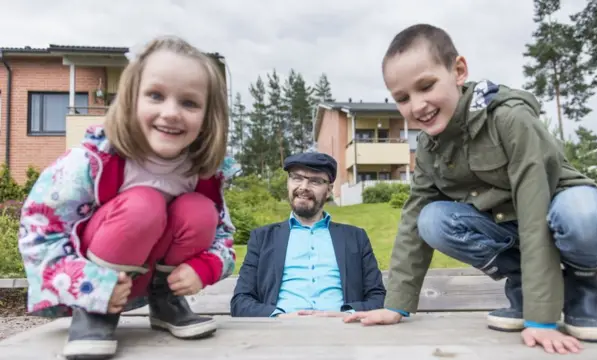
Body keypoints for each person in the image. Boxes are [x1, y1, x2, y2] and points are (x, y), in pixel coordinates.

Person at [343, 23, 597, 355]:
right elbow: (412, 222)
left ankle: (583, 287)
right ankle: (521, 284)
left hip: (554, 210)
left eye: (426, 86)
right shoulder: (430, 150)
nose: (417, 106)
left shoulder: (508, 118)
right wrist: (396, 304)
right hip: (507, 228)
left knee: (582, 213)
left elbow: (534, 209)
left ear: (459, 71)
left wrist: (541, 320)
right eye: (402, 98)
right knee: (431, 220)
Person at [18, 35, 239, 360]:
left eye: (189, 103)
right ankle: (95, 314)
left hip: (153, 277)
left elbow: (224, 236)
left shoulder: (203, 174)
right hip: (94, 280)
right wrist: (89, 285)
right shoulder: (93, 161)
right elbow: (38, 232)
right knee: (143, 205)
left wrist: (204, 267)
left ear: (209, 117)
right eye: (155, 96)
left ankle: (166, 303)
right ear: (131, 100)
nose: (171, 112)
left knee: (200, 210)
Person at [230, 152, 386, 317]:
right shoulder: (262, 238)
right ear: (288, 183)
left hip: (342, 329)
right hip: (279, 331)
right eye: (297, 178)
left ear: (329, 190)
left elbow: (377, 297)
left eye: (315, 181)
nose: (303, 187)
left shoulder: (355, 238)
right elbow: (240, 302)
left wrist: (346, 314)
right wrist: (279, 316)